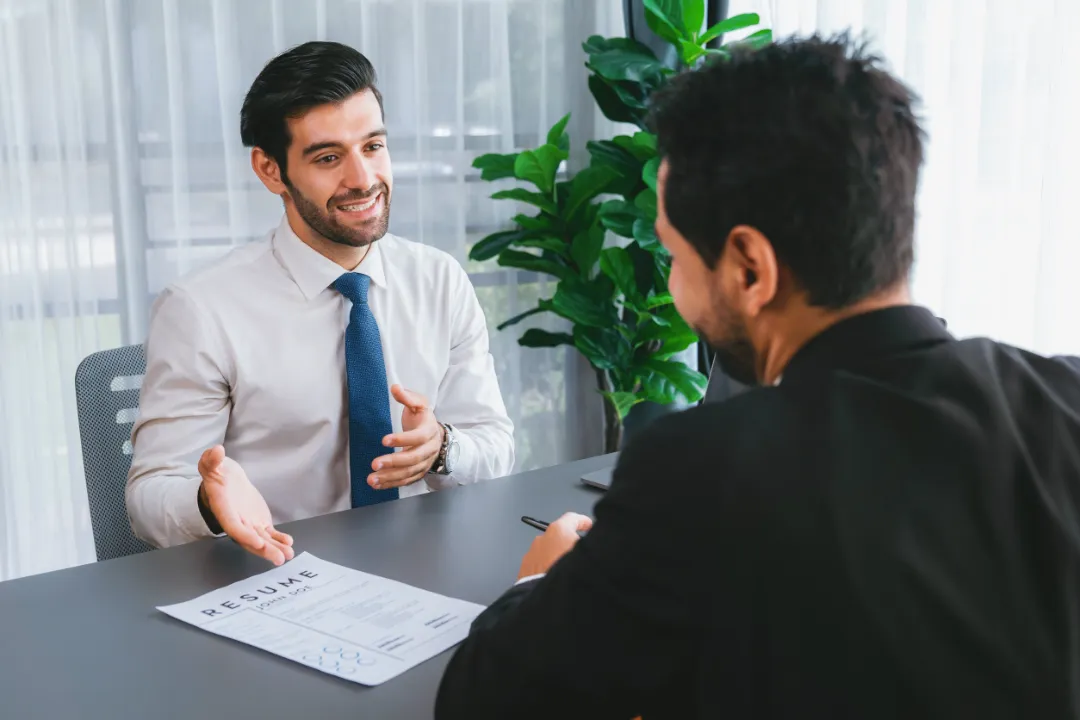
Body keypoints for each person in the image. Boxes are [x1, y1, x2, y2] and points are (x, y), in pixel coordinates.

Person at [435, 35, 1080, 719]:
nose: (676, 288)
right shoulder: (1066, 398)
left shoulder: (703, 470)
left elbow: (485, 700)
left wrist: (537, 582)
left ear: (749, 267)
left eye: (675, 254)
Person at [126, 41, 514, 563]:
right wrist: (209, 503)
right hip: (276, 578)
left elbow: (496, 446)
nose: (362, 179)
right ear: (270, 170)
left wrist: (442, 447)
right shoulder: (200, 310)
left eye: (373, 146)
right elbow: (148, 498)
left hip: (423, 569)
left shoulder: (439, 280)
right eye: (328, 157)